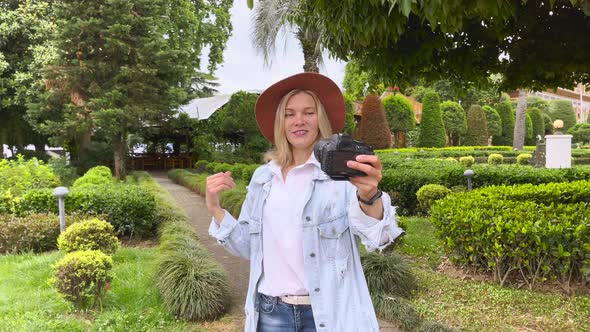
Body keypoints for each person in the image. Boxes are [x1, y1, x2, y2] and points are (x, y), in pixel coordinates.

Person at [206, 72, 404, 332]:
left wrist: (370, 196)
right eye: (289, 114)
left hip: (329, 315)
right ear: (281, 122)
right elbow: (249, 248)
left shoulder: (341, 174)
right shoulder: (263, 178)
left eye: (308, 112)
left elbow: (380, 239)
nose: (299, 121)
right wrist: (215, 209)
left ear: (320, 118)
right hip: (271, 315)